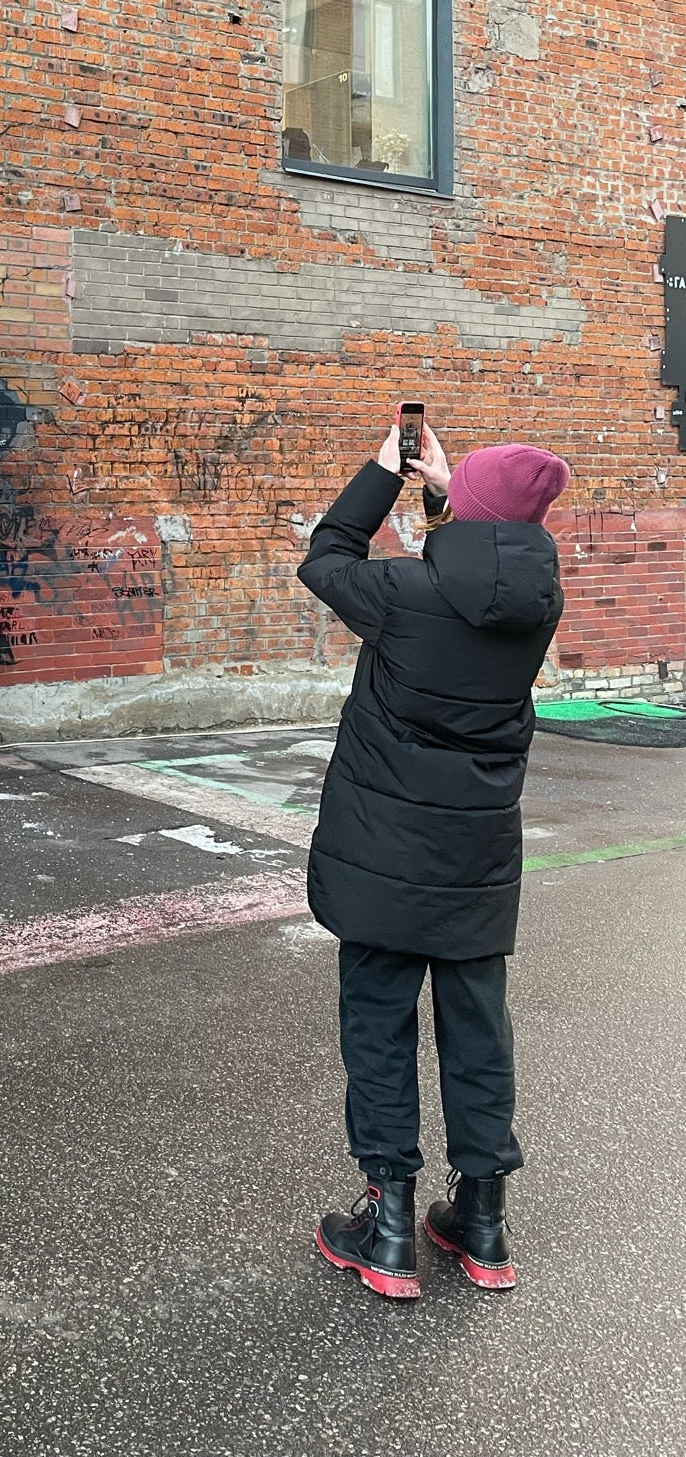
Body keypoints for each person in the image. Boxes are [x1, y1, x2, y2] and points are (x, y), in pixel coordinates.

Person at [299, 421, 570, 1300]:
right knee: (478, 1028)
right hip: (478, 858)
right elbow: (481, 564)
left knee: (380, 1025)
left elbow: (326, 553)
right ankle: (481, 1220)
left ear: (464, 511)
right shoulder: (538, 601)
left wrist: (385, 469)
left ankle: (386, 1228)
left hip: (383, 856)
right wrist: (456, 493)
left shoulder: (401, 594)